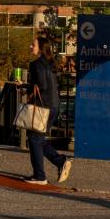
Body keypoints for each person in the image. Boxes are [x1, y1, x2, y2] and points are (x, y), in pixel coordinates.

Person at [24, 35, 73, 185]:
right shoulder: (50, 63)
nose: (30, 47)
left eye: (33, 45)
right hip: (53, 105)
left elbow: (42, 85)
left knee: (34, 139)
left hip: (42, 106)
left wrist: (27, 87)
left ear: (40, 48)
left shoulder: (36, 64)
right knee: (38, 139)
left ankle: (40, 176)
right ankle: (60, 162)